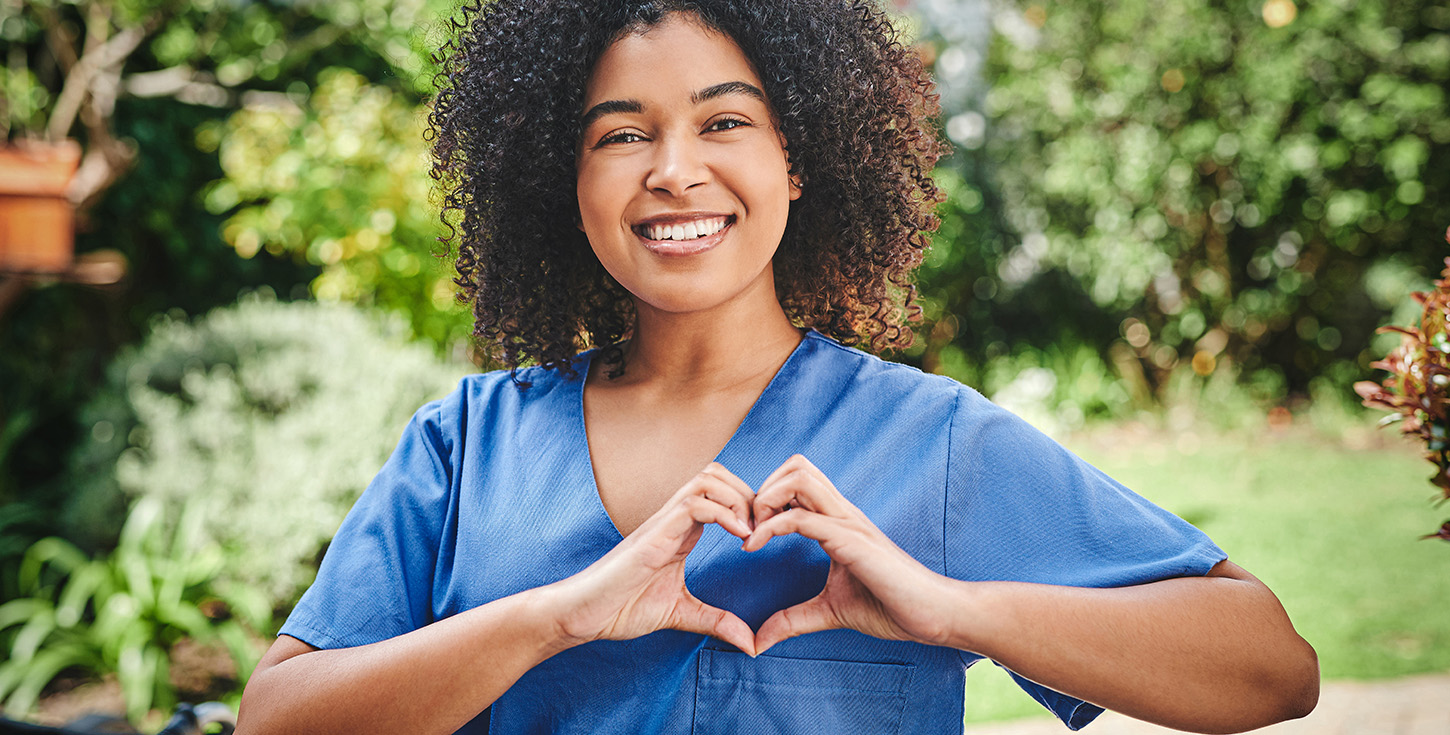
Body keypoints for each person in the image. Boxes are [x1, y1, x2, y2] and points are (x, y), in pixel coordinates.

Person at [235, 1, 1320, 733]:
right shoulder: (468, 444)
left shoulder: (927, 442)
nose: (672, 171)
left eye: (723, 122)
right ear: (558, 176)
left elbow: (1270, 667)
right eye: (620, 135)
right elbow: (275, 718)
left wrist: (954, 610)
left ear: (798, 163)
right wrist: (555, 617)